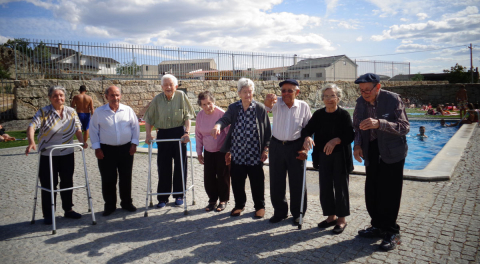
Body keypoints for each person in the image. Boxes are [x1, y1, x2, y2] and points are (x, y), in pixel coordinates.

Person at [353, 73, 409, 251]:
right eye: (361, 90)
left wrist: (380, 123)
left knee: (390, 192)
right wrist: (357, 145)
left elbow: (404, 127)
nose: (364, 93)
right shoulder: (360, 102)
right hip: (372, 150)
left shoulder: (393, 99)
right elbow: (357, 126)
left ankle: (392, 231)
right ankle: (377, 225)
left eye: (367, 90)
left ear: (378, 87)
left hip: (392, 151)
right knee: (372, 190)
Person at [25, 86, 88, 225]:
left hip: (67, 153)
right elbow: (31, 126)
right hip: (48, 154)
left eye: (61, 95)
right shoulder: (43, 112)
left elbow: (78, 128)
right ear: (49, 97)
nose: (59, 98)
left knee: (67, 181)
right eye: (55, 95)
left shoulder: (71, 111)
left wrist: (82, 142)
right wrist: (31, 142)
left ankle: (68, 209)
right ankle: (48, 214)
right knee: (48, 184)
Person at [211, 78, 271, 218]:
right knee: (237, 182)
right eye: (244, 92)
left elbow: (267, 131)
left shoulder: (259, 108)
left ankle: (260, 206)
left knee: (257, 182)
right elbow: (224, 120)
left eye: (250, 92)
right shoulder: (234, 108)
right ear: (239, 93)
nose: (247, 95)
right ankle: (239, 205)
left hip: (255, 154)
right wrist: (217, 126)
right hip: (237, 153)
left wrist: (266, 149)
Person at [302, 83, 354, 234]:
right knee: (325, 187)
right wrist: (307, 137)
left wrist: (336, 140)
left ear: (338, 98)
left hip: (340, 157)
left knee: (340, 187)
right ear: (322, 98)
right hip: (323, 156)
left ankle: (342, 219)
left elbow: (350, 135)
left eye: (333, 96)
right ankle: (331, 217)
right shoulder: (318, 114)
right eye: (326, 96)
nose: (329, 99)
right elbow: (307, 129)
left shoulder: (343, 115)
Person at [263, 79, 311, 225]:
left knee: (297, 181)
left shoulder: (303, 106)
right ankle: (280, 212)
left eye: (290, 90)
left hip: (295, 146)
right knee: (276, 181)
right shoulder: (275, 103)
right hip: (277, 145)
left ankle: (298, 213)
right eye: (283, 90)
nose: (286, 93)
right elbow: (263, 112)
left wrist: (305, 146)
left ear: (297, 92)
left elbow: (309, 128)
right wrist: (267, 104)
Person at [144, 74, 195, 208]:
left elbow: (187, 115)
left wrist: (187, 132)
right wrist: (148, 134)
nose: (168, 87)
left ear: (176, 86)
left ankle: (179, 195)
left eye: (171, 84)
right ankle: (162, 198)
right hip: (163, 133)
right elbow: (149, 118)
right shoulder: (157, 99)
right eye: (165, 85)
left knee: (180, 165)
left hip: (179, 133)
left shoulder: (181, 96)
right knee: (163, 166)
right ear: (161, 87)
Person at [90, 86, 140, 216]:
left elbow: (135, 128)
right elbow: (94, 131)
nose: (115, 98)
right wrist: (97, 148)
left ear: (121, 96)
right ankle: (110, 205)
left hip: (126, 149)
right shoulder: (99, 112)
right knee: (108, 179)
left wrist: (134, 143)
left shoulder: (127, 110)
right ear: (106, 97)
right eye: (112, 95)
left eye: (117, 95)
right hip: (106, 150)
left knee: (126, 177)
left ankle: (126, 202)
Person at [195, 91, 231, 212]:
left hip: (221, 150)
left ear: (213, 102)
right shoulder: (200, 116)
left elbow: (229, 133)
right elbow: (198, 135)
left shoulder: (221, 114)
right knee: (209, 177)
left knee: (223, 176)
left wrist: (229, 151)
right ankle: (212, 200)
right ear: (200, 105)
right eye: (204, 104)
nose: (207, 107)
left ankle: (223, 200)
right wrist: (199, 152)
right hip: (208, 151)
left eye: (209, 103)